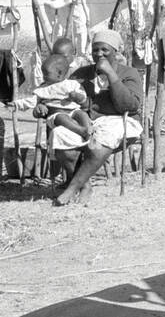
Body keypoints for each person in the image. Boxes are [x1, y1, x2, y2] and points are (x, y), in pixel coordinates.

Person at [53, 29, 143, 205]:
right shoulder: (81, 74)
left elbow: (129, 106)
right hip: (86, 123)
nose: (99, 54)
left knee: (101, 140)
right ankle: (85, 186)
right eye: (95, 50)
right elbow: (62, 99)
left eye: (104, 50)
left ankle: (71, 188)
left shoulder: (129, 73)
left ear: (116, 52)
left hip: (122, 120)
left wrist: (111, 75)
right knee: (60, 136)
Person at [11, 53, 93, 144]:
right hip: (55, 113)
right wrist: (16, 104)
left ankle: (90, 132)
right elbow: (32, 100)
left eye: (46, 74)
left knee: (82, 115)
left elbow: (83, 96)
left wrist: (76, 96)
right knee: (62, 118)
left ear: (59, 74)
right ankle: (81, 131)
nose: (43, 77)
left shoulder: (72, 84)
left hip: (74, 110)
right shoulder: (43, 88)